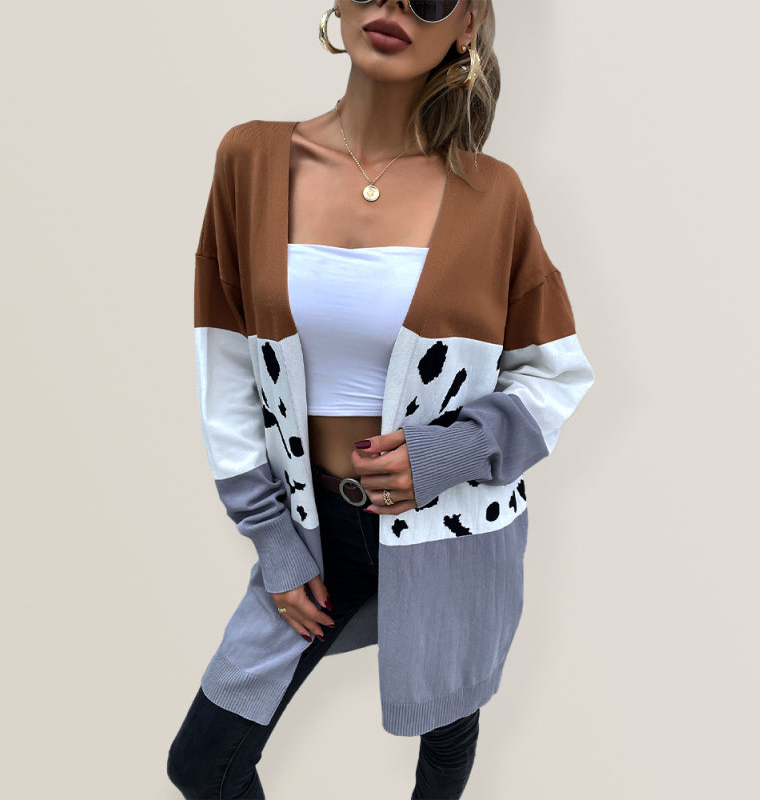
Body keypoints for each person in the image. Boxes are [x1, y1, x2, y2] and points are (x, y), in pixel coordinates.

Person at [168, 2, 595, 798]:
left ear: (466, 24)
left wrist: (449, 450)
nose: (393, 5)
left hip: (455, 530)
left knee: (448, 733)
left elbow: (555, 373)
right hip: (312, 527)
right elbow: (224, 364)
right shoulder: (251, 161)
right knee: (203, 761)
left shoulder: (493, 195)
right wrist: (272, 538)